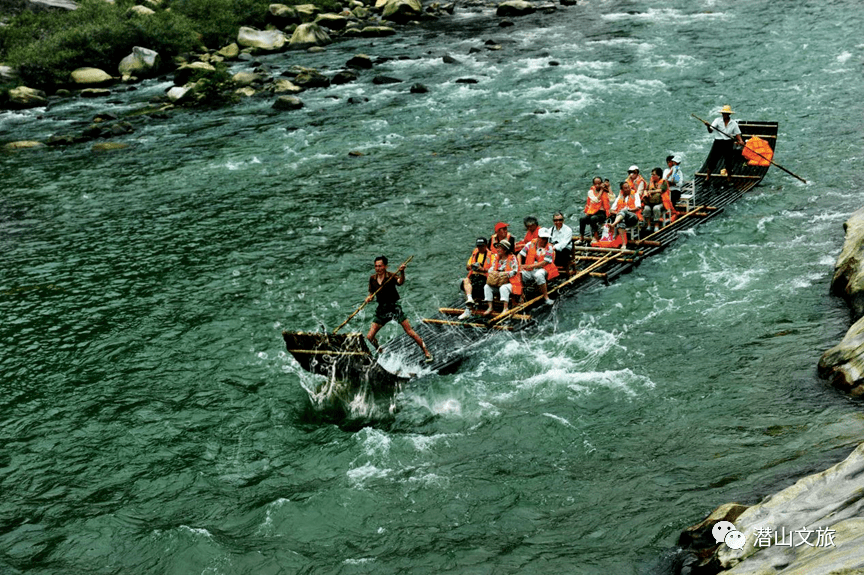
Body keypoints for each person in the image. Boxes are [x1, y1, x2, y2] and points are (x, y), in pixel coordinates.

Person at [365, 256, 432, 362]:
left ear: (385, 266)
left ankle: (426, 351)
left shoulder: (391, 276)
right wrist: (369, 298)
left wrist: (402, 272)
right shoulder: (372, 278)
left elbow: (400, 282)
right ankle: (381, 352)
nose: (378, 268)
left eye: (380, 266)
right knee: (369, 336)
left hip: (394, 308)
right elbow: (371, 293)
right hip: (382, 310)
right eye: (376, 266)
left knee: (410, 332)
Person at [705, 104, 746, 181]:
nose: (724, 115)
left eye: (726, 114)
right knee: (713, 160)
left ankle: (729, 178)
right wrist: (708, 126)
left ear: (729, 114)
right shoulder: (717, 121)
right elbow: (711, 131)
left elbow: (737, 134)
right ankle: (707, 177)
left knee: (728, 161)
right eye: (723, 113)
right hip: (718, 142)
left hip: (728, 143)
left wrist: (740, 141)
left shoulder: (733, 123)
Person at [518, 228, 557, 305]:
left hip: (544, 269)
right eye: (543, 238)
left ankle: (546, 297)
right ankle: (521, 296)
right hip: (530, 269)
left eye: (546, 238)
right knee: (518, 274)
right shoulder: (530, 244)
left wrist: (530, 266)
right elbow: (520, 254)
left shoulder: (549, 247)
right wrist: (519, 265)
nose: (545, 240)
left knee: (539, 275)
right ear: (538, 237)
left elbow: (545, 262)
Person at [482, 239, 521, 316]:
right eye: (498, 248)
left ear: (505, 250)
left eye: (500, 248)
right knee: (487, 287)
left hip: (511, 283)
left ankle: (505, 308)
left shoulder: (512, 258)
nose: (498, 250)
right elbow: (491, 269)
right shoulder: (496, 258)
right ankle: (490, 307)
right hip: (497, 281)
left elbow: (515, 270)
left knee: (503, 288)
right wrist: (494, 273)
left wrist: (505, 274)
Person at [609, 181, 642, 250]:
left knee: (623, 212)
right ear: (622, 190)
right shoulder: (619, 197)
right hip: (622, 217)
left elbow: (638, 207)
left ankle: (613, 224)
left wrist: (627, 210)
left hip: (633, 216)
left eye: (628, 187)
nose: (628, 189)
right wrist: (618, 213)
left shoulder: (635, 194)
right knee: (621, 221)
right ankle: (624, 244)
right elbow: (611, 210)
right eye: (625, 188)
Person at [578, 177, 610, 244]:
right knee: (582, 219)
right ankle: (581, 237)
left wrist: (608, 188)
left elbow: (612, 198)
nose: (598, 185)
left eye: (599, 183)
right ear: (593, 184)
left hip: (602, 213)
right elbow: (595, 200)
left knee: (593, 218)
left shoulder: (605, 192)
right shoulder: (591, 192)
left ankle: (595, 236)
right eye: (596, 184)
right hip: (593, 212)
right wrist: (601, 191)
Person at [461, 237, 492, 306]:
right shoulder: (475, 254)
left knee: (478, 286)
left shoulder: (491, 255)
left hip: (484, 276)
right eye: (478, 246)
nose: (480, 248)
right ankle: (469, 299)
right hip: (474, 275)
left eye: (482, 246)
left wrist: (482, 269)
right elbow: (467, 267)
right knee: (465, 281)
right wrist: (471, 266)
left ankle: (479, 301)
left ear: (486, 245)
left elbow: (492, 269)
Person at [642, 167, 669, 233]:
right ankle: (648, 225)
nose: (652, 176)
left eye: (654, 175)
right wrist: (646, 193)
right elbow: (646, 189)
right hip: (650, 202)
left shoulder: (663, 182)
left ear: (659, 176)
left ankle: (656, 225)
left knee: (656, 208)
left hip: (661, 202)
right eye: (652, 175)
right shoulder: (651, 182)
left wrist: (652, 192)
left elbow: (661, 190)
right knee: (646, 208)